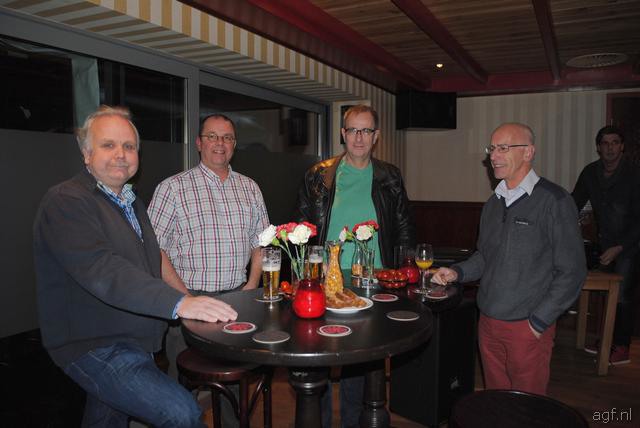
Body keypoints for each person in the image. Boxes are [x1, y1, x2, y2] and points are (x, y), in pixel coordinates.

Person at [33, 106, 238, 428]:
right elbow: (103, 269)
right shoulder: (66, 200)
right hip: (97, 346)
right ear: (86, 154)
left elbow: (155, 257)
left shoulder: (131, 203)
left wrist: (187, 301)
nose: (121, 154)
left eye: (128, 146)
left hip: (133, 340)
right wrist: (180, 303)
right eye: (108, 145)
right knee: (181, 412)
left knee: (106, 419)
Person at [433, 123, 586, 395]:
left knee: (526, 406)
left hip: (527, 327)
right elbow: (485, 257)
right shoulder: (493, 203)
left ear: (528, 152)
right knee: (496, 401)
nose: (493, 156)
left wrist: (538, 322)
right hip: (488, 322)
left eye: (503, 148)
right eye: (492, 148)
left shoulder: (554, 200)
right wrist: (456, 272)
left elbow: (572, 271)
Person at [296, 104, 415, 427]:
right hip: (326, 282)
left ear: (376, 136)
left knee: (359, 364)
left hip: (372, 284)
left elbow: (404, 226)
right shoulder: (318, 175)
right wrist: (307, 273)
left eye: (366, 130)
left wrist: (404, 272)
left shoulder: (390, 176)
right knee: (316, 361)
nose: (359, 137)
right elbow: (302, 228)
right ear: (342, 134)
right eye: (352, 130)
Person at [148, 114, 269, 379]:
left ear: (234, 144)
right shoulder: (172, 188)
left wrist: (251, 286)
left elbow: (261, 242)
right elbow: (154, 248)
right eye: (212, 136)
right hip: (188, 297)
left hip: (237, 299)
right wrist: (186, 299)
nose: (219, 143)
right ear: (199, 143)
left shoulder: (250, 188)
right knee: (183, 382)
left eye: (227, 137)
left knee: (235, 378)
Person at [571, 126, 640, 365]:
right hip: (604, 243)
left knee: (623, 296)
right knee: (608, 295)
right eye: (605, 143)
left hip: (630, 245)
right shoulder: (590, 172)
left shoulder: (634, 173)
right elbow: (573, 203)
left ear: (622, 146)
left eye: (615, 142)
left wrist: (619, 247)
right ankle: (607, 340)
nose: (610, 147)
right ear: (598, 147)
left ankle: (621, 347)